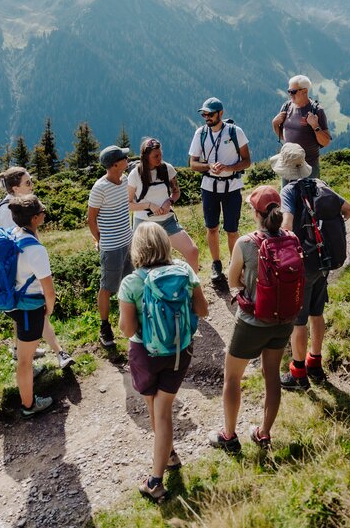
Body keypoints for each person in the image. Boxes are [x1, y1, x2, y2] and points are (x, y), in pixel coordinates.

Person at [118, 221, 209, 502]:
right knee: (164, 409)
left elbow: (127, 330)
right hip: (180, 351)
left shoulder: (131, 282)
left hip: (146, 354)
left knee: (156, 412)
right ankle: (168, 454)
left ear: (137, 248)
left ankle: (155, 482)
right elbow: (203, 310)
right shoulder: (184, 271)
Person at [209, 186, 296, 453]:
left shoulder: (246, 243)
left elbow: (233, 281)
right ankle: (263, 433)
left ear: (256, 213)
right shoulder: (292, 238)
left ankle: (229, 436)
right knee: (272, 375)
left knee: (232, 377)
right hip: (284, 319)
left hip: (252, 321)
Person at [272, 143, 350, 389]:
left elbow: (286, 226)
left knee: (299, 320)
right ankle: (315, 363)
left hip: (302, 264)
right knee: (317, 313)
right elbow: (349, 210)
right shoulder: (321, 185)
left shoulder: (289, 191)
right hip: (324, 260)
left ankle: (298, 374)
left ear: (286, 169)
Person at [0, 167, 74, 370]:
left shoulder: (16, 207)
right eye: (27, 183)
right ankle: (59, 353)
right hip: (23, 275)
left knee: (23, 313)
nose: (32, 185)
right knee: (38, 311)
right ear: (15, 188)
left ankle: (18, 348)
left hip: (18, 275)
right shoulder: (7, 212)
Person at [188, 97, 251, 286]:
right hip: (209, 186)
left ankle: (235, 263)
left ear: (220, 113)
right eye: (204, 114)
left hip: (232, 187)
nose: (206, 117)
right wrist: (209, 166)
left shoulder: (235, 132)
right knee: (212, 227)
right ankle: (216, 265)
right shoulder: (200, 133)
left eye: (210, 114)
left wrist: (228, 168)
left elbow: (247, 161)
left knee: (232, 230)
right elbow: (192, 164)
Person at [5, 194, 55, 417]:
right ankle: (29, 405)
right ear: (35, 218)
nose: (45, 213)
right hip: (29, 308)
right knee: (25, 360)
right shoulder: (35, 250)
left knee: (25, 354)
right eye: (42, 212)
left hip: (13, 301)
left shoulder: (13, 234)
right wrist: (49, 309)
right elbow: (49, 290)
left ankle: (28, 392)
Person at [127, 138, 199, 271]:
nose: (159, 158)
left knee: (192, 252)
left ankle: (192, 289)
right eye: (155, 156)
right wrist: (148, 205)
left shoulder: (167, 169)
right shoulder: (135, 174)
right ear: (145, 156)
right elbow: (128, 204)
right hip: (144, 224)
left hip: (167, 221)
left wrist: (169, 201)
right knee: (143, 264)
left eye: (160, 154)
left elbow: (176, 192)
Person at [87, 145, 133, 348]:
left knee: (129, 281)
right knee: (107, 287)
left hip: (128, 241)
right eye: (124, 157)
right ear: (115, 165)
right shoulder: (99, 188)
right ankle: (104, 327)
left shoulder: (125, 180)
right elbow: (91, 219)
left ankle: (130, 319)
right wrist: (100, 240)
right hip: (112, 246)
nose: (127, 158)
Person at [271, 75, 331, 181]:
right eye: (289, 91)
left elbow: (326, 142)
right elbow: (283, 137)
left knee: (310, 197)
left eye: (293, 91)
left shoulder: (316, 111)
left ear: (305, 91)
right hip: (288, 165)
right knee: (287, 197)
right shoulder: (286, 107)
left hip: (309, 165)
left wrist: (315, 126)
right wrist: (275, 124)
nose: (290, 94)